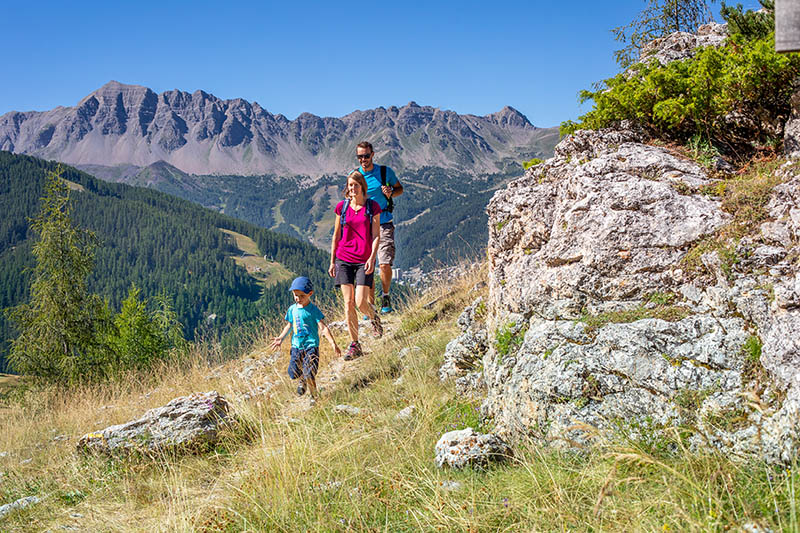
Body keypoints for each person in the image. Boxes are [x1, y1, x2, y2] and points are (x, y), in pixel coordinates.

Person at [329, 170, 384, 360]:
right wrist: (332, 260)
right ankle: (355, 344)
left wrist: (372, 257)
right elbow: (336, 236)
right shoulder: (341, 208)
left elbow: (376, 235)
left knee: (361, 302)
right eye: (350, 185)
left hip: (364, 260)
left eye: (355, 185)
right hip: (343, 259)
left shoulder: (372, 207)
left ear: (362, 187)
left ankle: (374, 318)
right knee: (348, 302)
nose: (352, 188)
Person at [270, 276, 341, 399]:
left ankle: (314, 396)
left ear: (310, 294)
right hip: (296, 346)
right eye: (295, 295)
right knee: (292, 373)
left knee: (310, 374)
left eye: (302, 296)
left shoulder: (313, 310)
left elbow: (323, 328)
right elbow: (289, 325)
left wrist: (333, 343)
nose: (298, 298)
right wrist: (281, 338)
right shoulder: (292, 309)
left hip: (311, 346)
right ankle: (302, 379)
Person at [355, 141, 404, 314]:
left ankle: (385, 295)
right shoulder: (355, 176)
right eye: (360, 156)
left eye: (366, 156)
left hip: (384, 222)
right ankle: (371, 305)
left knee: (384, 264)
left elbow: (399, 189)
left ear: (373, 155)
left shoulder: (385, 172)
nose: (363, 160)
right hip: (364, 226)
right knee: (368, 265)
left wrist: (390, 192)